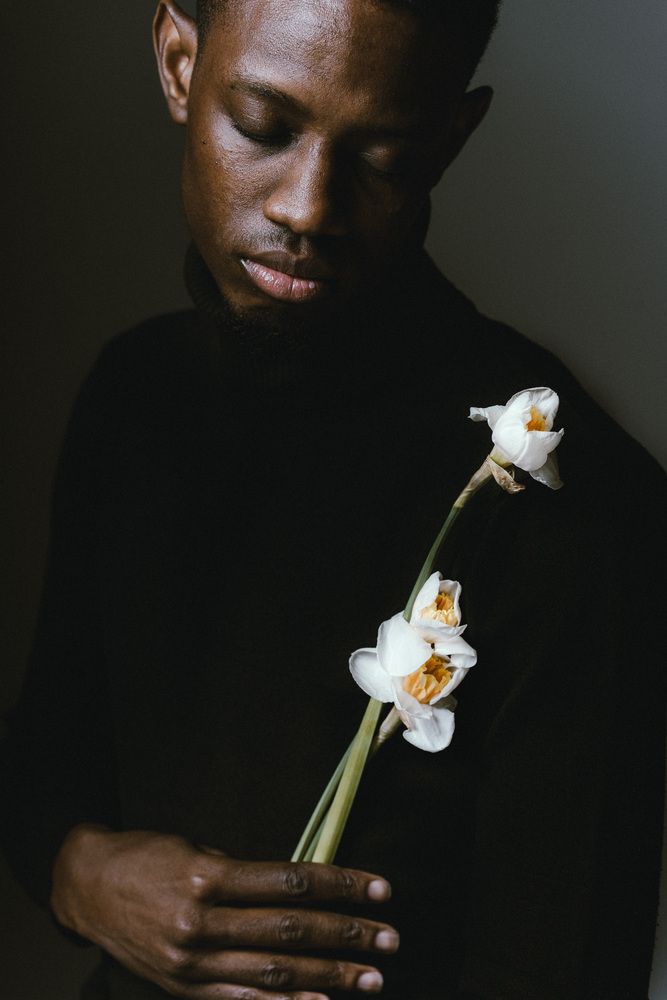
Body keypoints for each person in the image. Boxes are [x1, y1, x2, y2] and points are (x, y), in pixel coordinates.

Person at [1, 1, 665, 998]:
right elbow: (48, 760)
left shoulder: (579, 505)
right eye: (263, 126)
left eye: (384, 158)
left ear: (449, 139)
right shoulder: (131, 396)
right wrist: (78, 873)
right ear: (178, 62)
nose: (308, 208)